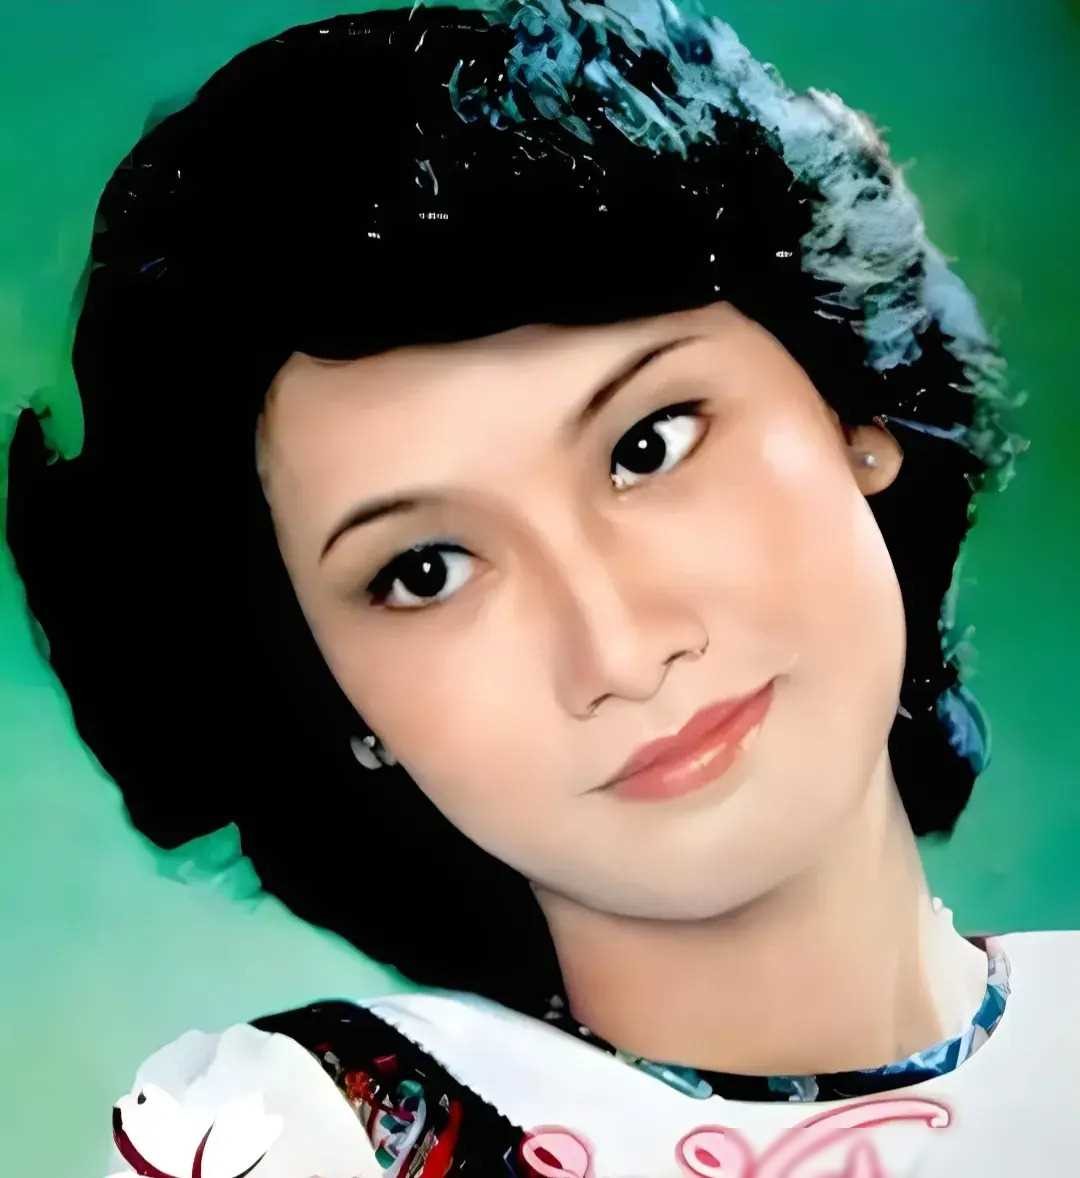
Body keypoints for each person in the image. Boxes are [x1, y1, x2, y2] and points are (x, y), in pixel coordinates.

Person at [6, 0, 1077, 1174]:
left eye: (649, 446)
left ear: (853, 407)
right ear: (325, 690)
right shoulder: (306, 1137)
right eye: (426, 571)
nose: (618, 648)